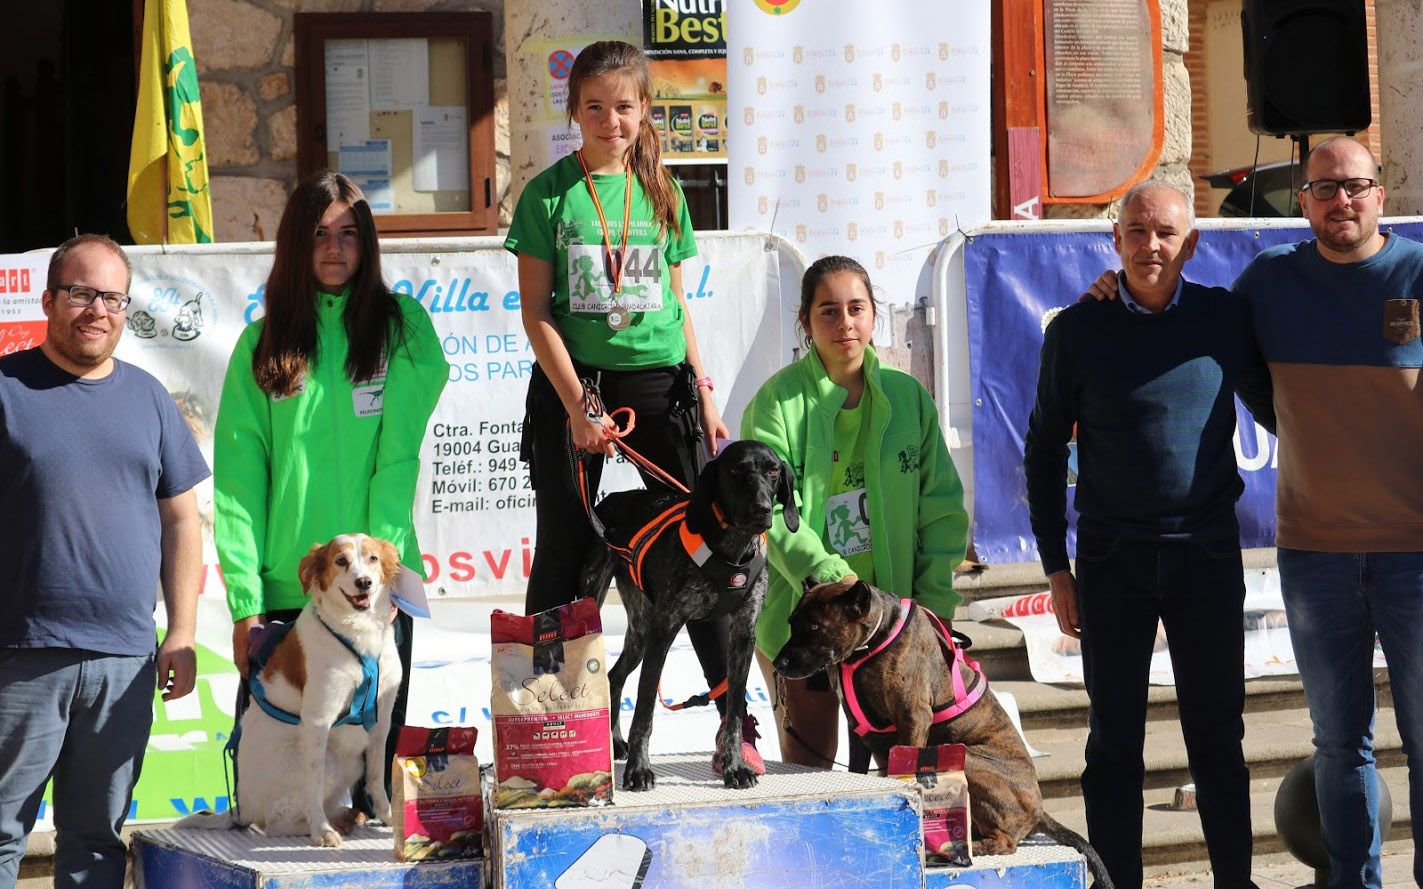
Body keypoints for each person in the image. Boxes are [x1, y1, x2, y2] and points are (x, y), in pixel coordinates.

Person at [504, 41, 754, 770]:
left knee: (707, 550)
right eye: (594, 107)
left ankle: (732, 723)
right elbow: (536, 313)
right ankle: (547, 726)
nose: (610, 120)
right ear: (573, 111)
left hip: (660, 386)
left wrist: (704, 395)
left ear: (645, 110)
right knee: (565, 549)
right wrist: (578, 404)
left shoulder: (662, 190)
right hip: (574, 384)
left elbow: (677, 305)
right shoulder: (548, 194)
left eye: (624, 105)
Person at [1027, 181, 1272, 889]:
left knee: (1217, 740)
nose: (1149, 245)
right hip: (1111, 560)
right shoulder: (1076, 331)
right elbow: (1042, 450)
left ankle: (1235, 880)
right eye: (1135, 231)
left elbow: (1285, 402)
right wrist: (1054, 567)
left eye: (1164, 232)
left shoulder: (1224, 319)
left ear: (1190, 243)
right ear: (1115, 241)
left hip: (1205, 555)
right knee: (1111, 744)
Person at [213, 171, 448, 802]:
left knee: (373, 788)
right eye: (319, 233)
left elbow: (399, 452)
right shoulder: (260, 347)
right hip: (290, 600)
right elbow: (237, 488)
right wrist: (245, 603)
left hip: (377, 594)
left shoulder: (401, 330)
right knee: (274, 790)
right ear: (295, 241)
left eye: (350, 233)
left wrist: (393, 572)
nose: (335, 248)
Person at [1231, 137, 1423, 889]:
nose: (1339, 200)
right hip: (1315, 555)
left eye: (1354, 186)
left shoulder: (1416, 270)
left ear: (1380, 194)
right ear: (1301, 202)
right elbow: (1212, 344)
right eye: (1322, 189)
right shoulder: (1268, 282)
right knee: (1339, 745)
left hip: (1415, 553)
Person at [0, 234, 208, 888]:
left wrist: (180, 632)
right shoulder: (6, 389)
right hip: (22, 655)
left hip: (125, 660)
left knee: (96, 841)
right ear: (49, 299)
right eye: (81, 292)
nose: (97, 309)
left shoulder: (149, 399)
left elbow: (181, 520)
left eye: (112, 297)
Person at [743, 255, 969, 767]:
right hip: (803, 622)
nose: (844, 323)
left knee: (903, 771)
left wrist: (932, 607)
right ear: (805, 321)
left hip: (893, 630)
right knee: (812, 772)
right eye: (828, 311)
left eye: (856, 308)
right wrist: (826, 576)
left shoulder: (909, 398)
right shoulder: (777, 403)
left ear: (872, 316)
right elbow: (765, 513)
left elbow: (941, 512)